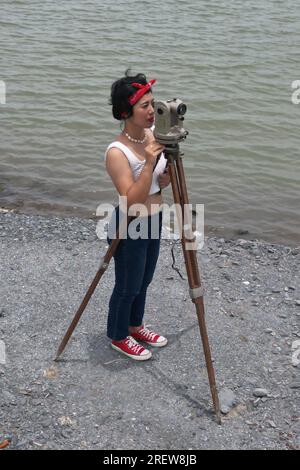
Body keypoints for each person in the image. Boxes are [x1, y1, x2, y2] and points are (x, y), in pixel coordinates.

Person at [104, 70, 171, 361]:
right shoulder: (116, 152)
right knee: (127, 284)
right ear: (125, 112)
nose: (151, 111)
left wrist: (163, 177)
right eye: (144, 106)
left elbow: (157, 184)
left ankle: (135, 325)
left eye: (152, 103)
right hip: (130, 224)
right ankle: (118, 336)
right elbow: (131, 201)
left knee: (144, 280)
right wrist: (148, 161)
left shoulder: (152, 136)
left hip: (154, 218)